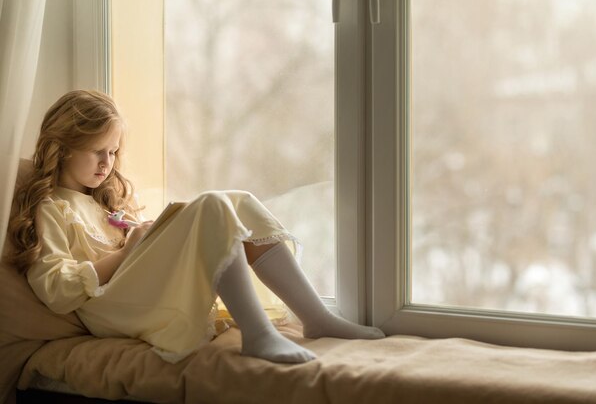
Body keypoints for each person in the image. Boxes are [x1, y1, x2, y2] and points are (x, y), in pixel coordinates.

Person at [8, 90, 384, 364]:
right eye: (96, 151)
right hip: (106, 311)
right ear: (65, 147)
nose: (107, 163)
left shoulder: (101, 201)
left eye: (113, 152)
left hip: (133, 292)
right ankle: (258, 334)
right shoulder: (51, 209)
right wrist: (127, 251)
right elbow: (56, 291)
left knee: (234, 200)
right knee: (210, 205)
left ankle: (316, 317)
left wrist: (147, 236)